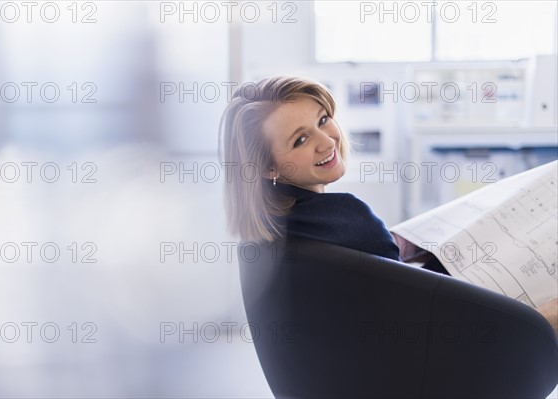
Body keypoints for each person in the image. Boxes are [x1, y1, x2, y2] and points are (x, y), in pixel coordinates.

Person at [218, 75, 557, 333]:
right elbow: (417, 313)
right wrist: (540, 320)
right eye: (301, 140)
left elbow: (366, 278)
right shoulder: (347, 217)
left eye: (323, 120)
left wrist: (392, 247)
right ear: (268, 166)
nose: (326, 142)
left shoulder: (275, 227)